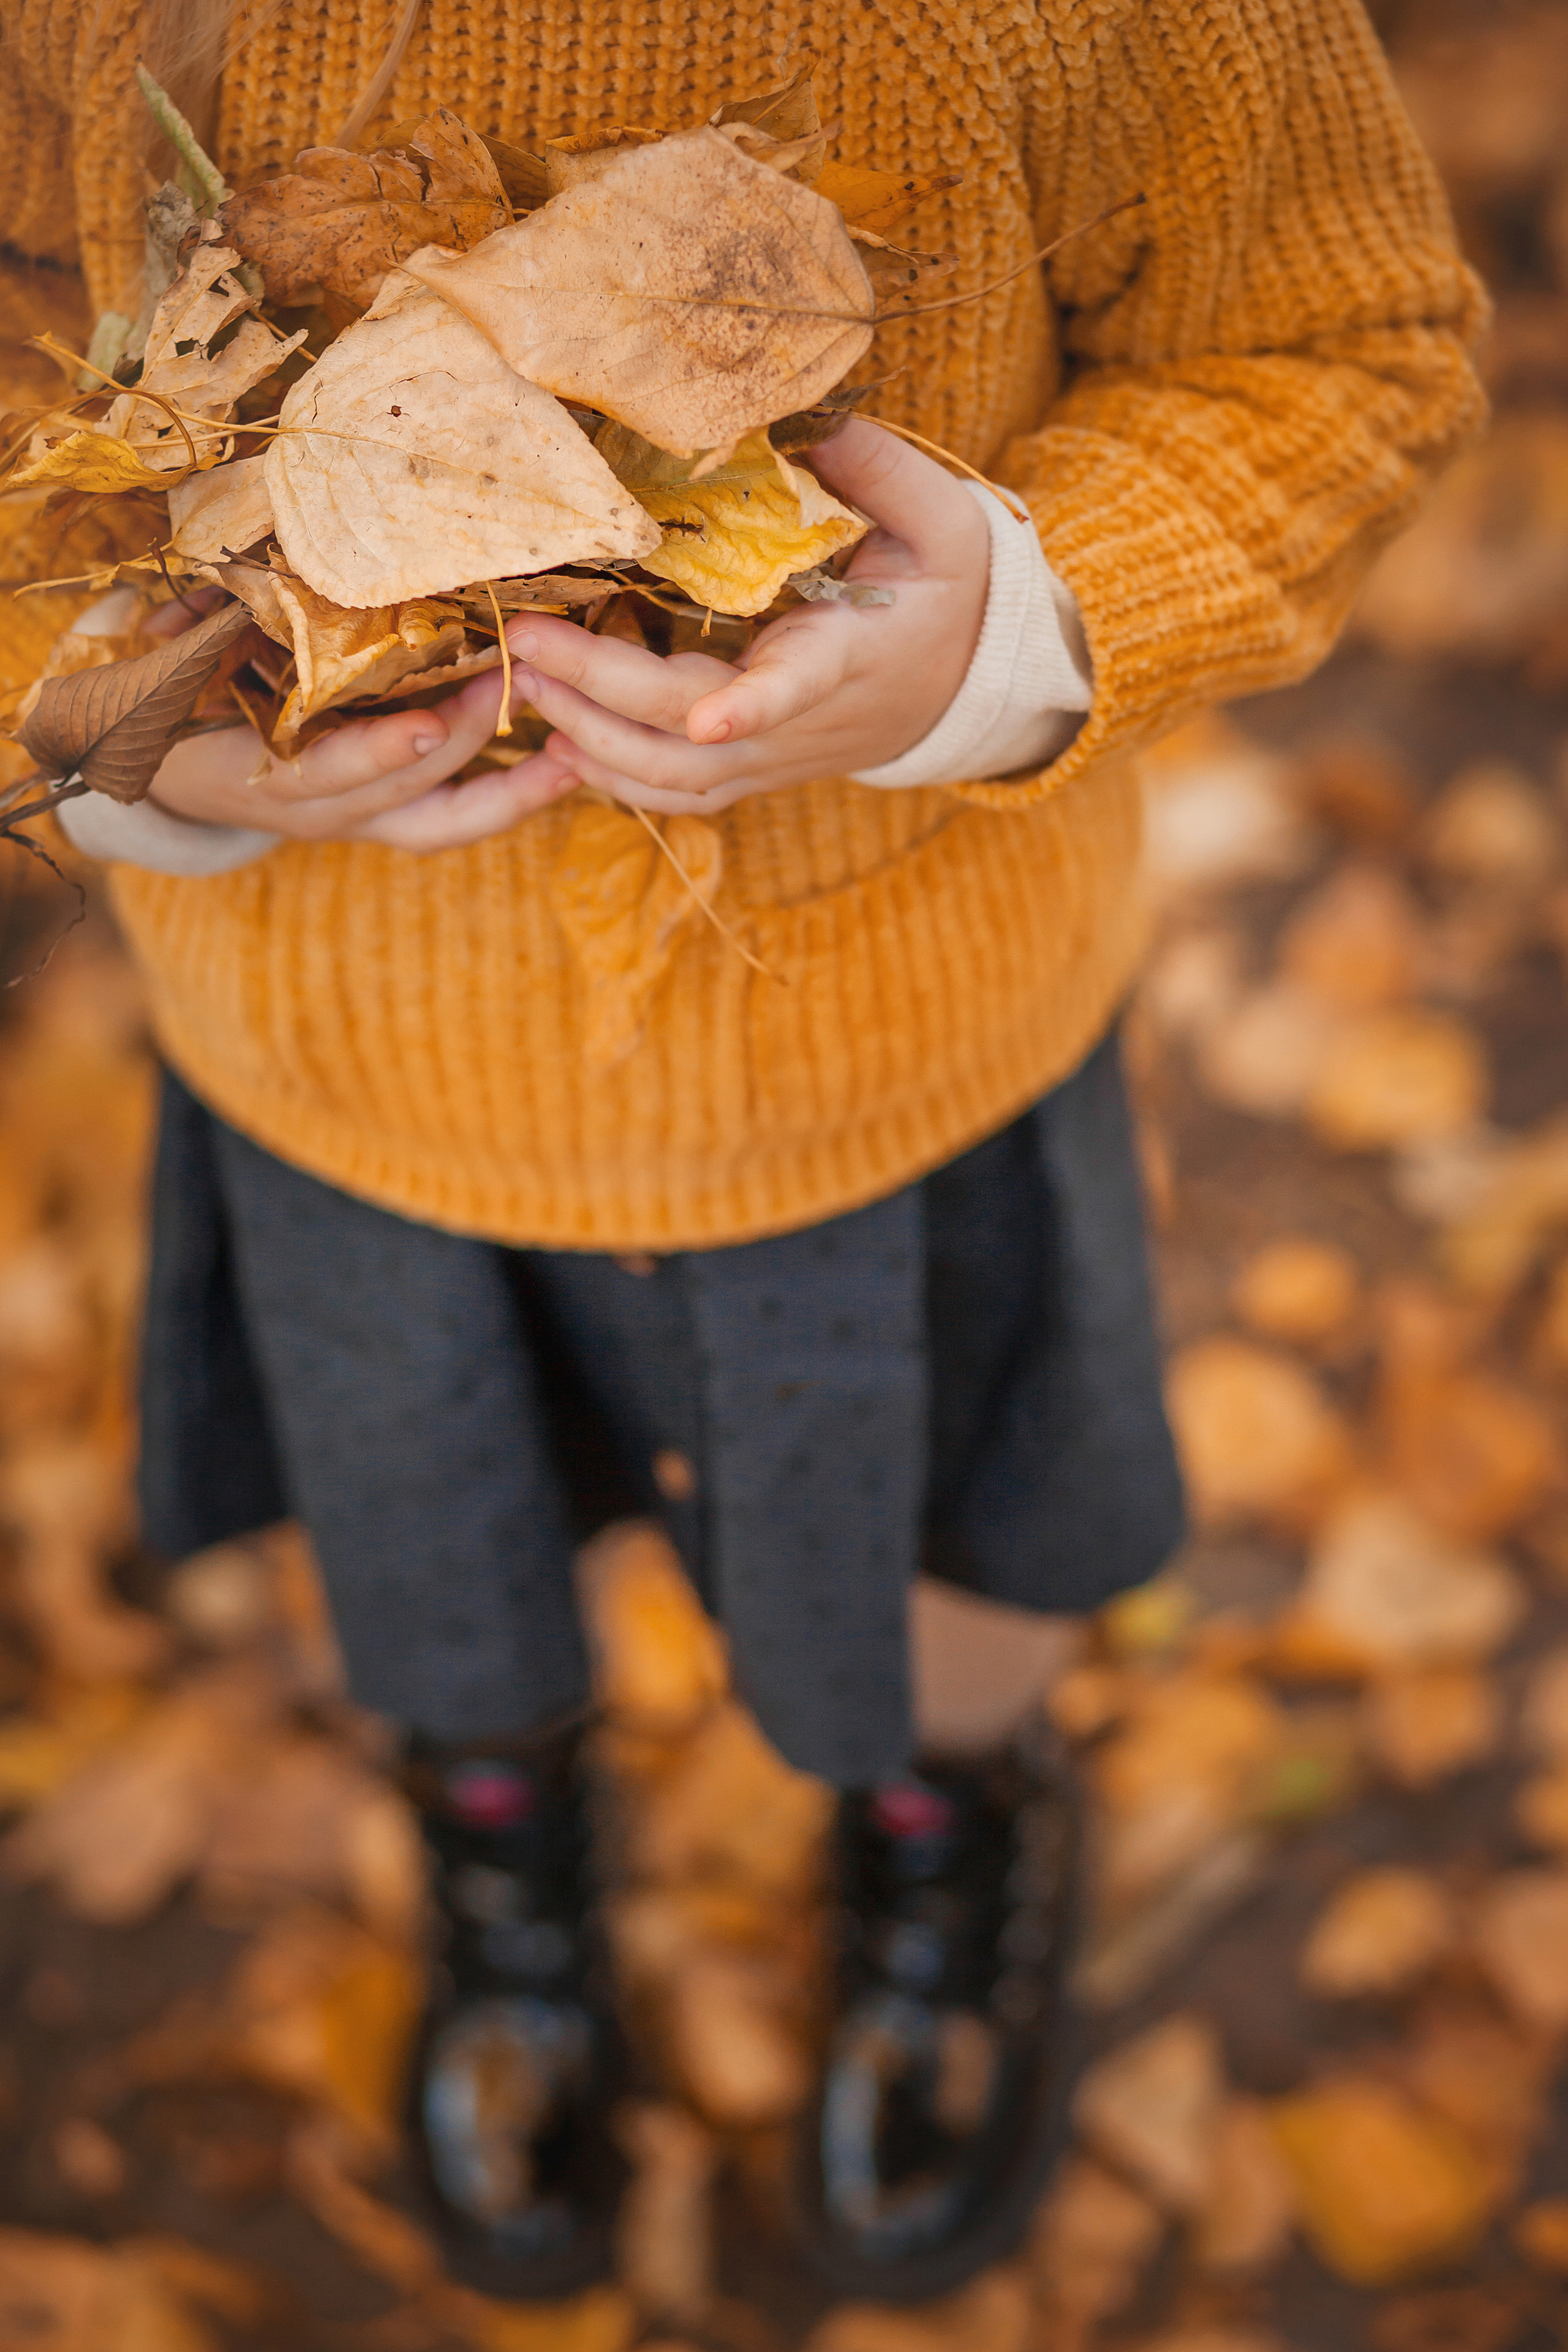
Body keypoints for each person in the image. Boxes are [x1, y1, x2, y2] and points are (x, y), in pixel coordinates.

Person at [0, 0, 1485, 2300]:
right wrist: (109, 710)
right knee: (435, 1548)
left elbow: (1342, 340)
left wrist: (1011, 618)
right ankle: (504, 1852)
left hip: (896, 1051)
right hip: (351, 1065)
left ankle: (942, 1832)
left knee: (951, 1541)